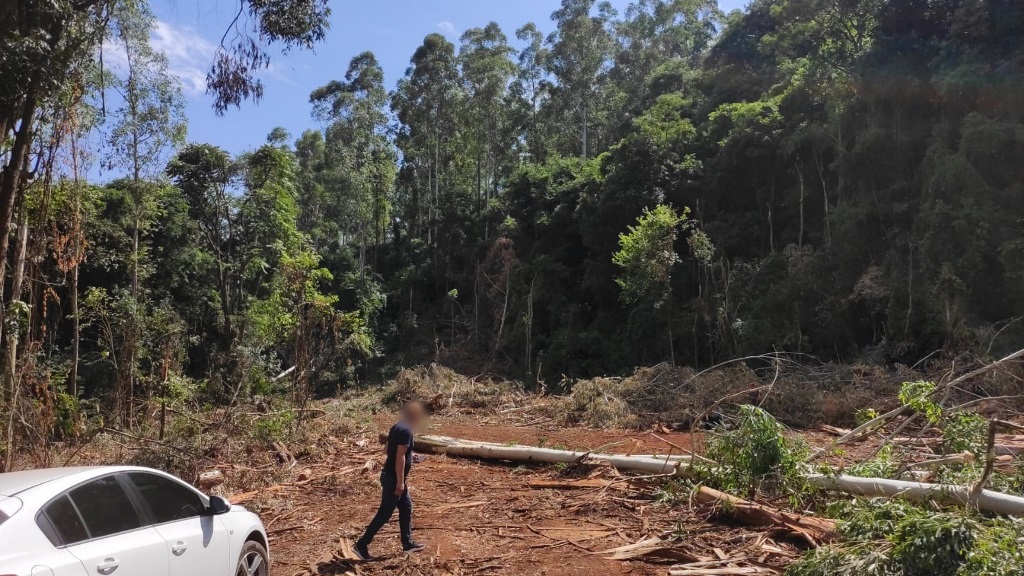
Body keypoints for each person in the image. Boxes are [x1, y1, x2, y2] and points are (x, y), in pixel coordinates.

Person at [355, 401, 428, 560]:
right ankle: (361, 545)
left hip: (390, 476)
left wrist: (411, 455)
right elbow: (399, 457)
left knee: (406, 507)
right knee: (385, 513)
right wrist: (400, 482)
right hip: (394, 479)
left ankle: (407, 544)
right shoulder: (406, 431)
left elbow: (387, 450)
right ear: (414, 415)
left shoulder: (397, 427)